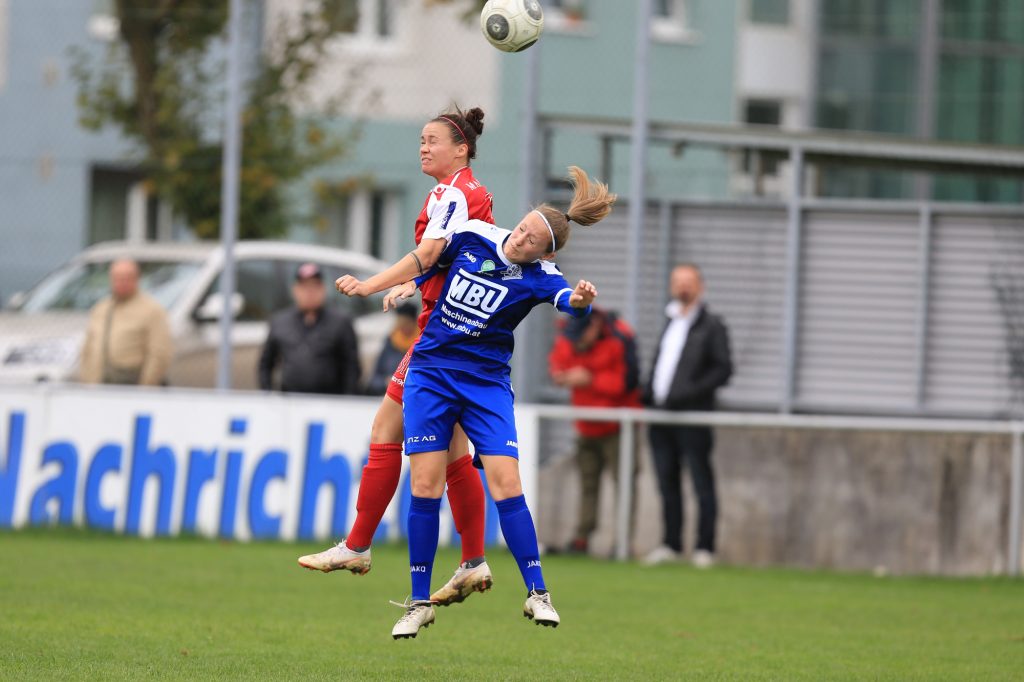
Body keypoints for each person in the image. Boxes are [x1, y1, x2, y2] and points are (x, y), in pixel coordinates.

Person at [336, 165, 616, 639]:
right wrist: (397, 285)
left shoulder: (541, 275)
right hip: (431, 376)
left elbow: (567, 299)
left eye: (532, 240)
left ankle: (538, 594)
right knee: (424, 485)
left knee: (506, 482)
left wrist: (583, 300)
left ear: (544, 252)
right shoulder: (474, 234)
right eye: (525, 226)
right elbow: (427, 262)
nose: (522, 237)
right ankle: (418, 602)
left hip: (485, 386)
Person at [298, 107, 494, 607]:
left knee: (387, 426)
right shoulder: (462, 194)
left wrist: (370, 284)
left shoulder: (455, 192)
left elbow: (430, 254)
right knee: (450, 449)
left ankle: (358, 546)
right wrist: (414, 284)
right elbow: (453, 258)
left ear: (461, 148)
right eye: (421, 141)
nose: (424, 148)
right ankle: (473, 559)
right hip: (460, 332)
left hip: (442, 338)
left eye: (433, 140)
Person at [642, 264, 733, 568]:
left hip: (693, 417)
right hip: (661, 417)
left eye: (688, 282)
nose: (682, 287)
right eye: (677, 282)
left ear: (700, 286)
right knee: (667, 482)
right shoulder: (670, 321)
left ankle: (705, 547)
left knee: (700, 481)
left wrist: (690, 392)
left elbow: (723, 369)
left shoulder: (711, 325)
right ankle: (671, 543)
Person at [549, 307, 640, 555]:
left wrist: (590, 379)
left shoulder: (620, 337)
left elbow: (626, 383)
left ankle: (622, 544)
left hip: (618, 426)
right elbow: (557, 360)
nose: (576, 341)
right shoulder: (569, 333)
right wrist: (561, 375)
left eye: (581, 334)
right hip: (585, 422)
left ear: (595, 326)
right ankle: (582, 537)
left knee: (624, 484)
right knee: (587, 483)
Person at [257, 263, 361, 395]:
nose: (310, 292)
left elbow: (352, 368)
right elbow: (265, 365)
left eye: (315, 286)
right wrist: (268, 395)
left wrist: (346, 401)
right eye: (305, 287)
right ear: (295, 290)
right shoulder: (280, 322)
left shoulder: (341, 322)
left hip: (329, 403)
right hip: (290, 402)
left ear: (323, 289)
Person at [79, 259, 173, 386]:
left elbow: (159, 354)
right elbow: (88, 348)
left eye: (127, 278)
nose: (121, 282)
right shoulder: (101, 308)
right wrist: (86, 381)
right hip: (98, 386)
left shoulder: (152, 310)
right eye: (117, 278)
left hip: (130, 386)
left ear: (137, 279)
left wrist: (146, 386)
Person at [365, 303, 419, 395]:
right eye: (400, 322)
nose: (403, 327)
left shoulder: (422, 344)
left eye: (406, 322)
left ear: (414, 322)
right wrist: (385, 382)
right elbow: (374, 379)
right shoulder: (391, 341)